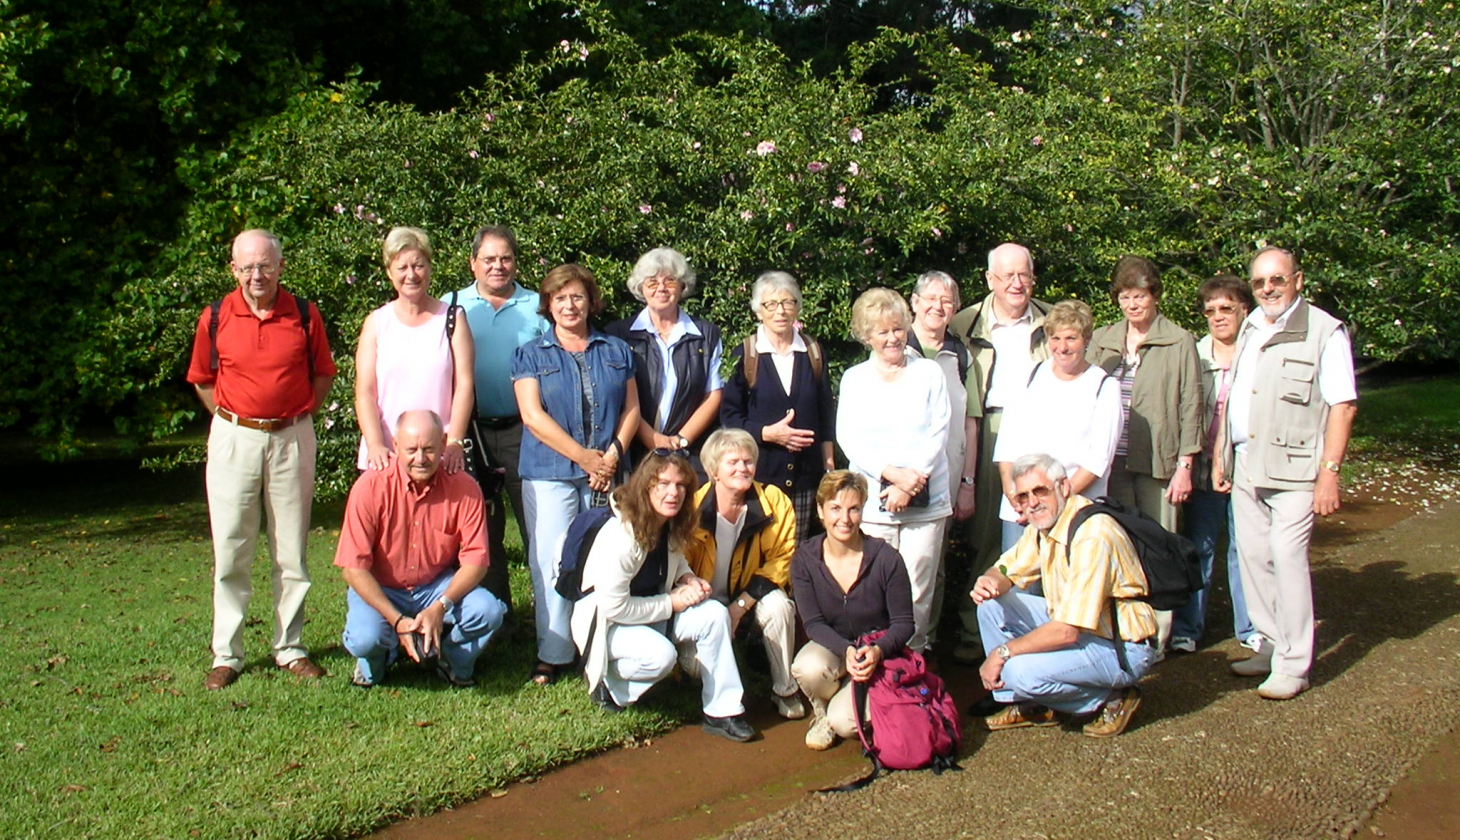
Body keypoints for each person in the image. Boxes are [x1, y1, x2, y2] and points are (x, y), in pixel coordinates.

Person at [186, 229, 336, 690]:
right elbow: (203, 380)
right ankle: (227, 654)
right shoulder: (214, 318)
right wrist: (238, 422)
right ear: (233, 269)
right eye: (247, 266)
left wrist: (290, 418)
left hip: (292, 436)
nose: (257, 274)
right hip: (234, 439)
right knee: (231, 549)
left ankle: (290, 648)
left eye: (265, 265)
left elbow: (322, 375)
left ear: (280, 266)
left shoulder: (305, 315)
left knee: (290, 550)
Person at [1221, 247, 1357, 700]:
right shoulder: (1253, 326)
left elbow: (1343, 405)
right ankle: (1271, 645)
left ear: (1297, 280)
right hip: (1247, 464)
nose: (1268, 290)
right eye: (1260, 283)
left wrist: (1329, 474)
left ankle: (1295, 662)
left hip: (1297, 471)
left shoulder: (1324, 331)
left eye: (1277, 280)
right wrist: (1225, 458)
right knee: (1254, 559)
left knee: (1288, 559)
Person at [571, 450, 757, 742]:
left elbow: (674, 559)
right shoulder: (622, 535)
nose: (674, 493)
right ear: (646, 485)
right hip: (607, 624)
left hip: (650, 612)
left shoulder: (667, 521)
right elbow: (614, 607)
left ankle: (722, 711)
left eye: (681, 485)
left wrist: (687, 577)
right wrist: (672, 602)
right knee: (662, 657)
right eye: (664, 483)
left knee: (715, 613)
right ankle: (607, 682)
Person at [512, 264, 640, 686]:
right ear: (548, 304)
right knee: (551, 559)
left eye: (578, 297)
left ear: (591, 301)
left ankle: (596, 645)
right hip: (551, 473)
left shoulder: (617, 350)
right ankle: (553, 652)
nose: (570, 305)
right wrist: (586, 459)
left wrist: (612, 456)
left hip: (607, 472)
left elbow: (631, 410)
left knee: (602, 560)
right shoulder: (531, 354)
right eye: (560, 297)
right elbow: (532, 417)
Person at [970, 453, 1156, 738]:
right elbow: (1008, 568)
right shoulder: (1047, 524)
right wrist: (990, 580)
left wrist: (1002, 653)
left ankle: (1113, 698)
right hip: (1081, 628)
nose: (1032, 502)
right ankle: (1024, 703)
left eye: (1040, 491)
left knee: (1017, 670)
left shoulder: (1092, 535)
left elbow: (1067, 632)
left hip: (1121, 647)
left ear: (1064, 487)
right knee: (991, 605)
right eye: (1022, 497)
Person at [334, 410, 507, 688]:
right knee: (365, 639)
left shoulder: (464, 487)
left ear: (443, 443)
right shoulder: (369, 487)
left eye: (429, 449)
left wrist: (441, 606)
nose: (420, 458)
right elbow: (353, 569)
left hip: (434, 586)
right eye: (411, 449)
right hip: (383, 585)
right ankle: (381, 658)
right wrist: (397, 620)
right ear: (395, 445)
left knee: (488, 610)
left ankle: (449, 658)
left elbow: (477, 561)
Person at [1087, 256, 1202, 653]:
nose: (1132, 304)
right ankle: (1122, 632)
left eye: (1140, 295)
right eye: (1125, 296)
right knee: (1118, 546)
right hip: (1111, 462)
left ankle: (1160, 637)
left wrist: (1186, 464)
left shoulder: (1179, 339)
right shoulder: (1102, 338)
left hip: (1158, 462)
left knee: (1160, 546)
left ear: (1155, 296)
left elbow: (1192, 404)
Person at [948, 243, 1055, 664]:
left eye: (1024, 274)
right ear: (990, 280)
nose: (1016, 283)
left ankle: (1044, 625)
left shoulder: (1050, 320)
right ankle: (979, 628)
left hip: (1042, 432)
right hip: (988, 429)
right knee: (986, 538)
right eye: (1007, 275)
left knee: (1044, 530)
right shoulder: (964, 322)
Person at [836, 288, 950, 654]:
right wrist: (892, 475)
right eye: (882, 331)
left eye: (898, 329)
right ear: (867, 335)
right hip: (872, 501)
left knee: (918, 591)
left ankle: (912, 664)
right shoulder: (854, 378)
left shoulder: (929, 373)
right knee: (873, 587)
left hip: (926, 500)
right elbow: (848, 437)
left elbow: (939, 431)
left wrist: (910, 481)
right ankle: (876, 665)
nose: (892, 338)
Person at [457, 225, 550, 619]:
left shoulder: (539, 307)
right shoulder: (452, 306)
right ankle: (498, 616)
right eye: (489, 259)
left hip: (525, 432)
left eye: (506, 258)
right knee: (482, 530)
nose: (498, 266)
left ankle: (548, 617)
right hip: (471, 433)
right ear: (473, 263)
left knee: (537, 528)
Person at [790, 471, 915, 750]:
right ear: (820, 511)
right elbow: (812, 623)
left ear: (862, 510)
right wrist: (846, 650)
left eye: (853, 509)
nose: (844, 519)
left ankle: (851, 705)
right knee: (807, 666)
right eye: (835, 508)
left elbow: (905, 623)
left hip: (878, 650)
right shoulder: (804, 559)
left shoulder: (886, 559)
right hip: (835, 647)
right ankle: (822, 714)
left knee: (846, 724)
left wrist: (879, 650)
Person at [684, 429, 803, 719]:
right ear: (713, 471)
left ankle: (784, 689)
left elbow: (782, 559)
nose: (742, 468)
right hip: (704, 606)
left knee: (780, 606)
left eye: (748, 461)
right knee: (693, 667)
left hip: (749, 598)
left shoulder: (775, 501)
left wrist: (740, 606)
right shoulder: (691, 509)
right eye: (732, 462)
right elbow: (680, 568)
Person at [992, 300, 1123, 551]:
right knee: (1019, 586)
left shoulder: (1104, 387)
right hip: (1020, 513)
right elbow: (1007, 445)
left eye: (1071, 338)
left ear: (1086, 339)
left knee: (1066, 589)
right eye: (1055, 338)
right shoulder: (1029, 376)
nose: (1062, 347)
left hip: (1074, 511)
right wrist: (1015, 494)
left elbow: (1097, 461)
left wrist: (1052, 503)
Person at [718, 271, 835, 541]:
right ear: (759, 311)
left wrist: (828, 468)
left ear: (797, 308)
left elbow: (826, 415)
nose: (780, 311)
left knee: (802, 555)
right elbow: (729, 419)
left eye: (788, 302)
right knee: (759, 553)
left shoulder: (814, 352)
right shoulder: (745, 354)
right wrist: (767, 433)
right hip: (760, 478)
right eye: (771, 304)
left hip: (807, 479)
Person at [1178, 275, 1260, 653]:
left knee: (1247, 547)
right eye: (1210, 310)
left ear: (1245, 309)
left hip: (1247, 464)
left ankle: (1252, 627)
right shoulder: (1195, 354)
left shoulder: (1259, 352)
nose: (1218, 317)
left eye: (1226, 308)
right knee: (1200, 546)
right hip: (1202, 466)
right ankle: (1187, 629)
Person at [355, 226, 475, 476]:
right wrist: (376, 444)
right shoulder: (376, 323)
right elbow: (365, 391)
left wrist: (454, 442)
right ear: (389, 272)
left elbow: (464, 386)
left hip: (439, 455)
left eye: (418, 265)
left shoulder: (453, 318)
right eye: (402, 268)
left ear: (429, 268)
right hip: (386, 456)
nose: (411, 274)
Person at [905, 270, 979, 650]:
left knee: (933, 566)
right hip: (897, 479)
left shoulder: (962, 356)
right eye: (929, 299)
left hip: (945, 478)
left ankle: (924, 644)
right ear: (914, 303)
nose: (937, 307)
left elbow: (970, 425)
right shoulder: (894, 346)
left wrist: (967, 484)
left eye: (946, 301)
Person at [605, 248, 724, 475]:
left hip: (689, 453)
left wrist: (680, 440)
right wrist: (652, 439)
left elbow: (713, 395)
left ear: (682, 286)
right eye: (652, 282)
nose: (661, 288)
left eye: (670, 281)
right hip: (633, 452)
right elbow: (617, 398)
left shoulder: (707, 334)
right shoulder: (618, 335)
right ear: (641, 288)